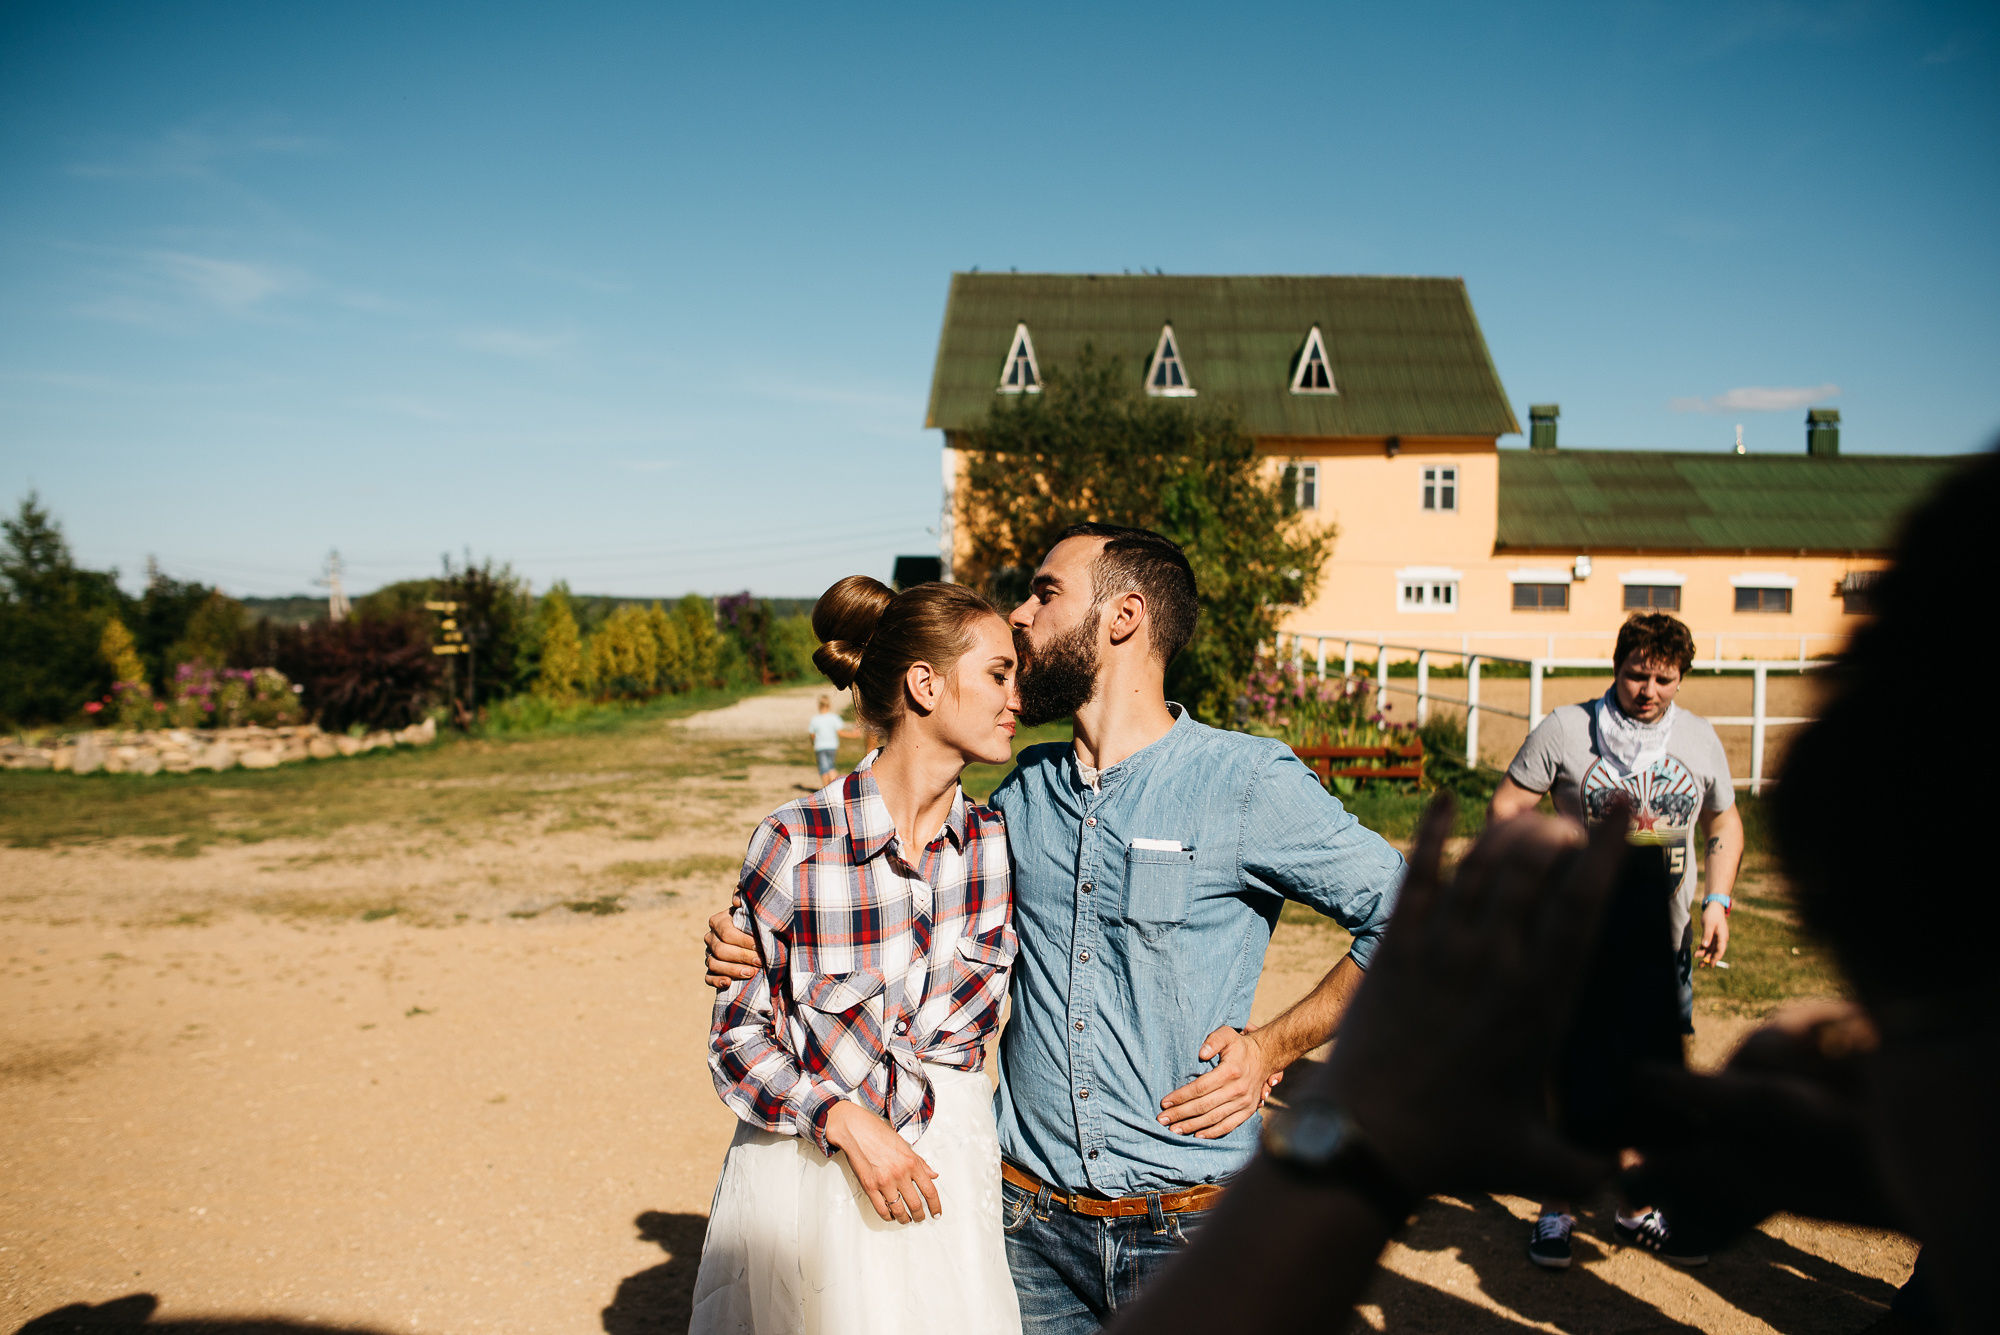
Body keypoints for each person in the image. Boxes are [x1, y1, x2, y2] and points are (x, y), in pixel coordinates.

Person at [710, 524, 1405, 1333]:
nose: (1021, 611)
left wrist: (1273, 1046)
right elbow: (885, 887)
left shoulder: (1245, 782)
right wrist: (746, 934)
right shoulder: (1016, 800)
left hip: (1191, 1228)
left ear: (1123, 616)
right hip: (1020, 1233)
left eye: (1045, 592)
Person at [690, 576, 1025, 1335]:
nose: (1017, 698)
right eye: (1000, 674)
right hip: (813, 1180)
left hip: (951, 1186)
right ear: (925, 684)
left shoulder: (1000, 849)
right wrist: (842, 1117)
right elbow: (738, 1039)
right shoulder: (795, 840)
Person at [1487, 611, 1743, 1269]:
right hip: (1577, 939)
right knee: (1571, 1075)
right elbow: (1509, 806)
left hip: (1665, 942)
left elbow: (1724, 819)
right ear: (1616, 667)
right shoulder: (1568, 730)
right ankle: (1556, 1208)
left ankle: (1633, 1203)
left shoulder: (1700, 739)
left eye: (1664, 678)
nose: (1648, 690)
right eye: (1636, 674)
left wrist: (1717, 898)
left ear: (1681, 679)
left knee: (1649, 1080)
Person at [807, 692, 852, 786]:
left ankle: (826, 789)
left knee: (824, 768)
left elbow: (812, 735)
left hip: (820, 747)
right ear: (829, 705)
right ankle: (834, 788)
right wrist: (853, 735)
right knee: (831, 767)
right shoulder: (834, 718)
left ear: (819, 705)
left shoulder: (815, 719)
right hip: (832, 746)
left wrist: (813, 743)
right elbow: (840, 732)